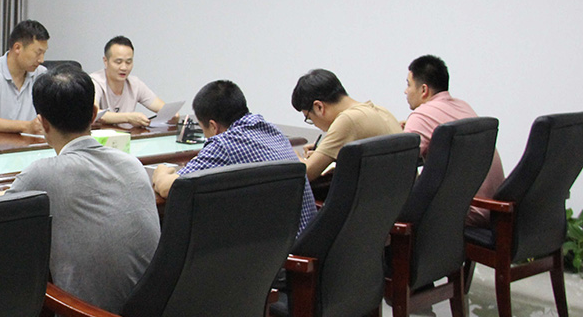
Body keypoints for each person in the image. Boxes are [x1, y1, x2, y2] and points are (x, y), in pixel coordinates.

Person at [5, 67, 160, 317]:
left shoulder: (44, 172)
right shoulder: (131, 165)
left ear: (42, 123)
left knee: (18, 294)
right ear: (94, 114)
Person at [152, 80, 316, 236]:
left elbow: (170, 188)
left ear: (213, 126)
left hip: (280, 249)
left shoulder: (223, 144)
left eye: (203, 129)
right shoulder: (271, 129)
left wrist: (161, 171)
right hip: (305, 239)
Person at [402, 54, 505, 226]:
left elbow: (401, 164)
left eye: (408, 84)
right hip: (495, 210)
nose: (406, 91)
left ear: (424, 90)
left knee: (387, 217)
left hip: (466, 213)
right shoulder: (463, 106)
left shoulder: (421, 115)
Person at [290, 68, 403, 183]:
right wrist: (323, 154)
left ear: (319, 107)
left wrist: (292, 154)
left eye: (309, 118)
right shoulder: (380, 110)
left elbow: (304, 174)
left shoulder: (348, 119)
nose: (314, 124)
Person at [0, 20, 50, 135]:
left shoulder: (41, 74)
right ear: (17, 48)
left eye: (44, 53)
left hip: (27, 143)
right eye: (38, 53)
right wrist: (28, 126)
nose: (41, 60)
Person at [91, 36, 174, 128]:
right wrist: (128, 118)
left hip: (129, 135)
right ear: (106, 61)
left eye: (128, 62)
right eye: (118, 62)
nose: (124, 68)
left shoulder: (134, 83)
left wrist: (173, 114)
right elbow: (94, 113)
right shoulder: (94, 82)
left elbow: (163, 109)